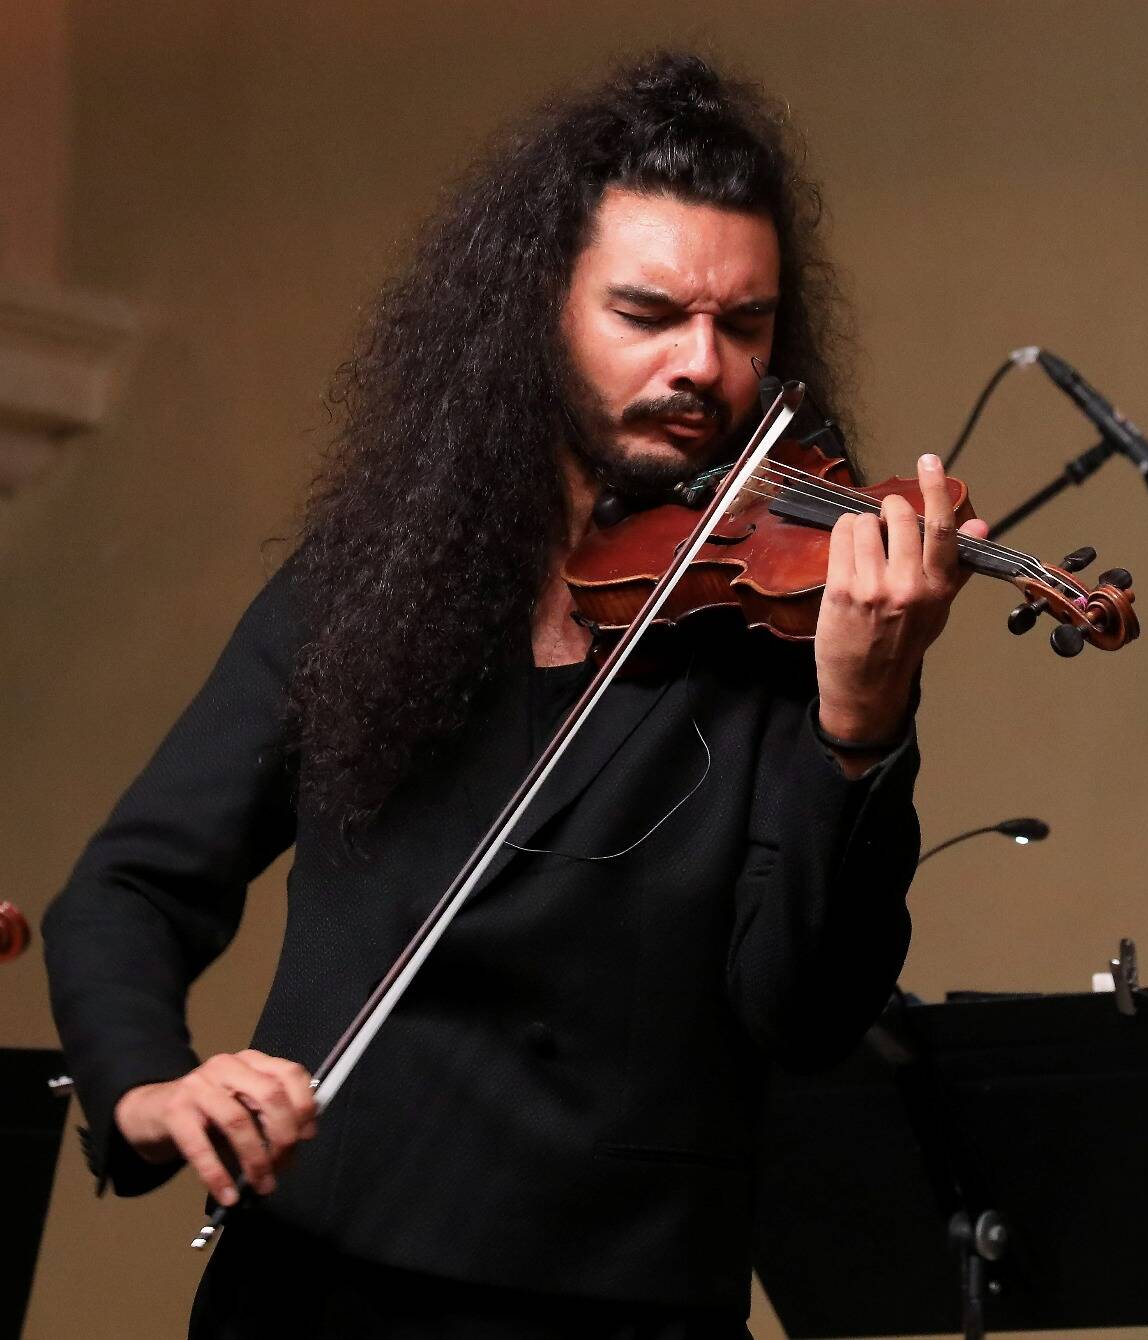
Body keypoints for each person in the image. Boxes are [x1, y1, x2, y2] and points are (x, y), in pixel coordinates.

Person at [42, 52, 986, 1339]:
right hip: (320, 1287)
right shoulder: (375, 582)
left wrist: (860, 729)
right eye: (648, 313)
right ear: (538, 309)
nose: (703, 367)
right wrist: (149, 1085)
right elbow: (133, 882)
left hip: (625, 1304)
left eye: (744, 325)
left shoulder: (801, 631)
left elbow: (802, 1014)